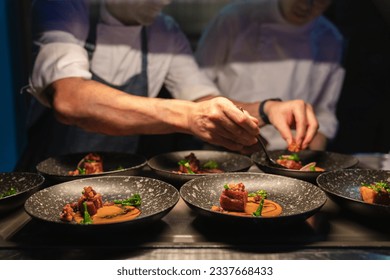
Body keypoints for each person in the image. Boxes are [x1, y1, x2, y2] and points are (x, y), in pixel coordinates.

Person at [17, 0, 319, 171]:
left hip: (119, 182)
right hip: (49, 183)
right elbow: (71, 101)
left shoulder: (164, 31)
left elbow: (206, 99)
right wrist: (189, 117)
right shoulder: (67, 7)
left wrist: (267, 108)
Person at [196, 0, 344, 151]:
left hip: (290, 152)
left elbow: (325, 113)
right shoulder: (234, 18)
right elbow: (197, 90)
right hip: (227, 147)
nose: (305, 6)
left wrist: (312, 155)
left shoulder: (330, 38)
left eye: (319, 1)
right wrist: (237, 131)